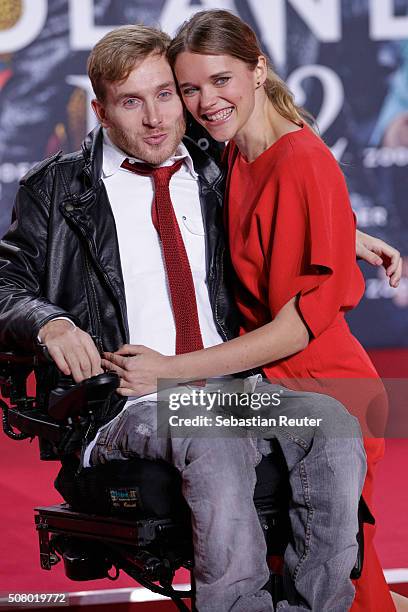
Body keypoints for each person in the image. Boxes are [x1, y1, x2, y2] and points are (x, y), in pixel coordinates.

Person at [0, 23, 399, 612]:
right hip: (127, 399)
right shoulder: (58, 189)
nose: (156, 117)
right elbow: (8, 282)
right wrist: (48, 322)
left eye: (167, 94)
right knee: (211, 438)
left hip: (228, 390)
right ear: (100, 109)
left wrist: (342, 233)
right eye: (132, 101)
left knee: (334, 424)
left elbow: (276, 203)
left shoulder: (216, 164)